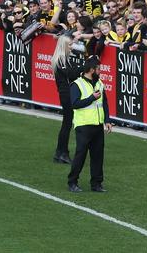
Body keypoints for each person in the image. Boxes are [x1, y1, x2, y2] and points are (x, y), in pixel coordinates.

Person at [67, 56, 112, 192]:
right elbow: (75, 104)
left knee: (98, 156)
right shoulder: (77, 84)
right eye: (98, 69)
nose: (100, 71)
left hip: (97, 125)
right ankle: (72, 182)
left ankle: (96, 183)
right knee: (80, 155)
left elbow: (104, 102)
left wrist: (107, 120)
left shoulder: (100, 83)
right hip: (84, 126)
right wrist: (91, 98)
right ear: (92, 70)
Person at [51, 34, 81, 164]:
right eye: (69, 45)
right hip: (66, 93)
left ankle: (60, 152)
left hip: (66, 93)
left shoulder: (63, 59)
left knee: (67, 123)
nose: (71, 47)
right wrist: (84, 68)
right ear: (63, 46)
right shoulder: (60, 60)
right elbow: (71, 74)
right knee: (67, 123)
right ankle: (62, 152)